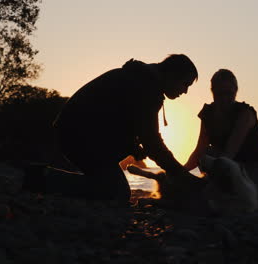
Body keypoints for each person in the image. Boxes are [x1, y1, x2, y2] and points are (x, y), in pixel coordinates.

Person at [49, 54, 200, 202]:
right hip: (76, 135)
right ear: (172, 75)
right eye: (185, 84)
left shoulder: (141, 80)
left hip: (77, 132)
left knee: (108, 187)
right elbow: (152, 142)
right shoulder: (146, 88)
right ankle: (38, 177)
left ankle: (44, 177)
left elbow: (117, 118)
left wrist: (132, 147)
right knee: (116, 192)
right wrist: (180, 174)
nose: (185, 91)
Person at [184, 69, 258, 208]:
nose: (224, 98)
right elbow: (199, 150)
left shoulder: (245, 114)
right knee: (206, 154)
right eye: (219, 93)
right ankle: (220, 192)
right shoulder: (208, 114)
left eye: (228, 93)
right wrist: (180, 172)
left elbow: (228, 155)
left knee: (216, 182)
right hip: (232, 168)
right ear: (212, 92)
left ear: (236, 91)